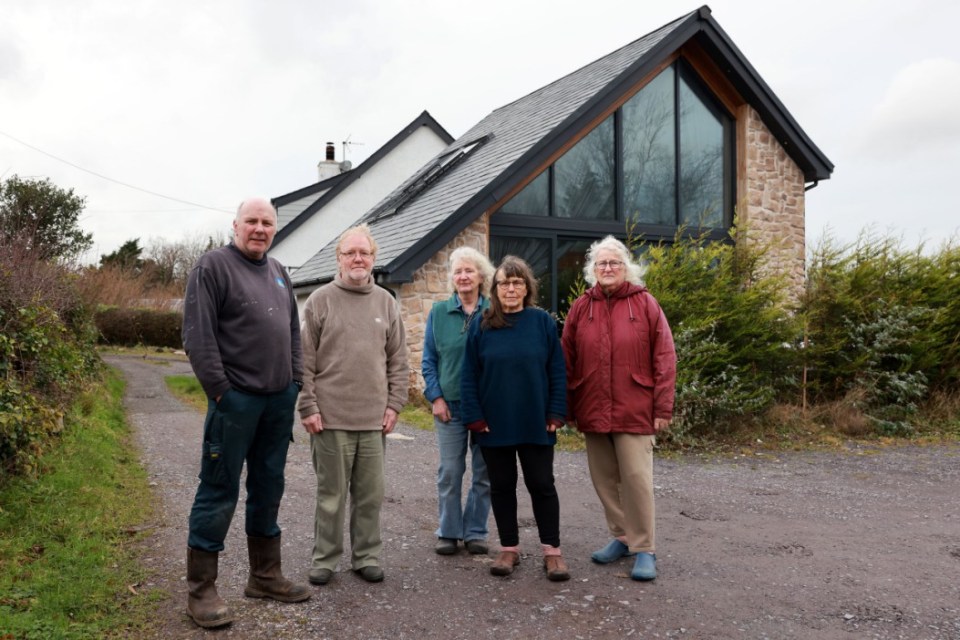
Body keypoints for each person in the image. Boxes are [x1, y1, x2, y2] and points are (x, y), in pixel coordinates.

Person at [181, 197, 309, 628]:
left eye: (267, 222)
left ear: (275, 228)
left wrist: (295, 383)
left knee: (269, 486)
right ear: (235, 225)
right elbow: (198, 337)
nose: (259, 228)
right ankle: (201, 590)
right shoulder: (212, 267)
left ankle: (265, 576)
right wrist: (222, 393)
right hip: (234, 403)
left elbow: (293, 332)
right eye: (251, 221)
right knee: (219, 489)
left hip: (277, 403)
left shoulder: (278, 273)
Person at [561, 235, 676, 581]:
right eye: (601, 264)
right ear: (592, 270)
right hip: (592, 406)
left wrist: (663, 407)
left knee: (637, 479)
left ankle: (645, 548)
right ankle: (622, 537)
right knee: (605, 479)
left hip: (635, 407)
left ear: (627, 268)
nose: (608, 268)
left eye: (614, 263)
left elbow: (665, 357)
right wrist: (565, 408)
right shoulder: (582, 307)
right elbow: (566, 359)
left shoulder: (645, 304)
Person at [299, 223, 409, 586]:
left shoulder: (386, 303)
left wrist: (395, 404)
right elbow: (304, 362)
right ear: (339, 258)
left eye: (364, 253)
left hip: (374, 420)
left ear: (374, 258)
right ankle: (325, 559)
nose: (358, 258)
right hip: (329, 419)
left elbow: (398, 360)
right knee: (331, 496)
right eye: (351, 253)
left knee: (370, 496)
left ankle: (367, 556)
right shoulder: (320, 301)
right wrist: (308, 406)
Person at [460, 255, 569, 581]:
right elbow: (469, 377)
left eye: (517, 282)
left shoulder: (543, 323)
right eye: (504, 282)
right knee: (502, 486)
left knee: (542, 485)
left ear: (527, 287)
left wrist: (556, 412)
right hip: (494, 423)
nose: (510, 288)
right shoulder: (482, 324)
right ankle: (510, 548)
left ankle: (552, 552)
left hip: (536, 419)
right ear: (495, 288)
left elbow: (557, 371)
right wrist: (475, 419)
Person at [421, 247, 495, 556]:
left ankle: (475, 531)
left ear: (481, 276)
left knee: (485, 472)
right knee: (450, 471)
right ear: (453, 278)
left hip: (488, 407)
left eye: (469, 271)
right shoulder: (439, 312)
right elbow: (428, 360)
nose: (463, 276)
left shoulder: (496, 311)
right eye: (458, 271)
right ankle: (448, 531)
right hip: (449, 406)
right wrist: (436, 397)